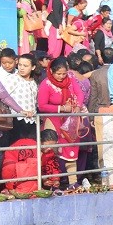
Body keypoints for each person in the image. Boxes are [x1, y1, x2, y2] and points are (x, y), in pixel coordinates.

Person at [37, 57, 88, 186]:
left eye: (64, 74)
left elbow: (79, 94)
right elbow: (42, 105)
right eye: (58, 74)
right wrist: (60, 108)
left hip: (69, 122)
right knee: (51, 150)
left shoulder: (70, 80)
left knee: (71, 150)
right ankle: (52, 181)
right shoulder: (46, 84)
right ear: (52, 72)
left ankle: (73, 182)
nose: (61, 76)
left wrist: (78, 105)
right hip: (53, 121)